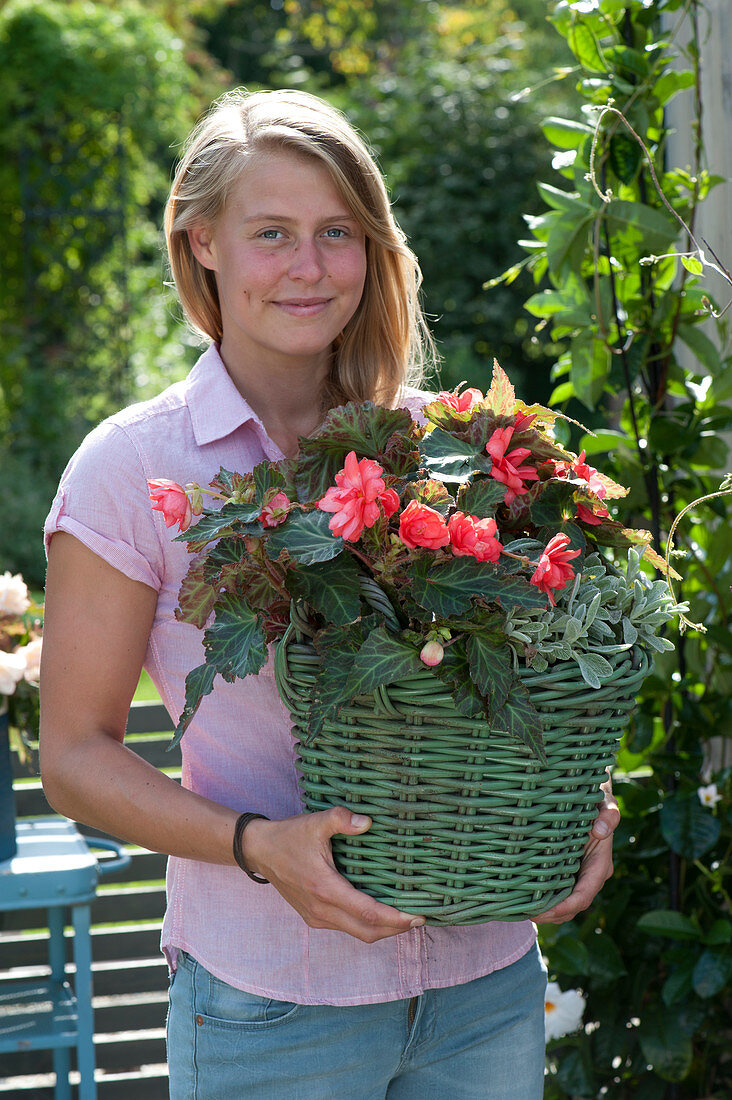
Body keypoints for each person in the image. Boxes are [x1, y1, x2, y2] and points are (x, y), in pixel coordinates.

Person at [40, 88, 619, 1099]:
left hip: (483, 984)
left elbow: (525, 674)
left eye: (337, 233)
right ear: (203, 241)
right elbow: (76, 756)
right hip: (275, 1004)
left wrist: (576, 809)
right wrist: (257, 846)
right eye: (273, 233)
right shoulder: (132, 468)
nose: (310, 268)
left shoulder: (451, 444)